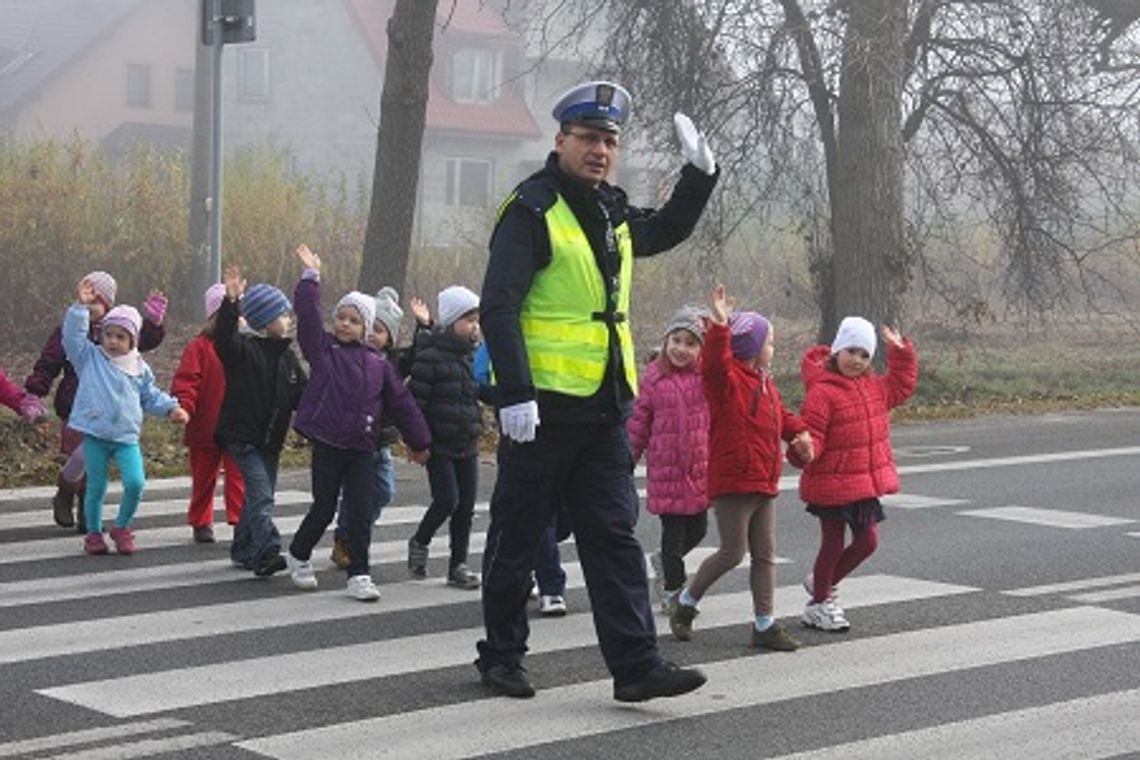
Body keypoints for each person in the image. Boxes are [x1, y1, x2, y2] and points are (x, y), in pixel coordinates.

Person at [476, 79, 719, 702]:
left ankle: (636, 666)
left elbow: (663, 230)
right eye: (588, 138)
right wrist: (515, 394)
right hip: (542, 411)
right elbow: (498, 306)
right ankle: (501, 655)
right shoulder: (530, 209)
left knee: (613, 537)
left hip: (605, 408)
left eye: (609, 140)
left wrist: (700, 176)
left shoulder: (611, 210)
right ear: (561, 141)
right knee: (518, 536)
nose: (600, 150)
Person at [668, 285, 813, 651]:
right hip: (733, 481)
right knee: (733, 552)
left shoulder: (766, 383)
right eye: (770, 343)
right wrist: (718, 326)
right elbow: (714, 363)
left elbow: (781, 416)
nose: (773, 349)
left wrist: (800, 433)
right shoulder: (726, 381)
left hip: (764, 478)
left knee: (765, 554)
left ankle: (764, 624)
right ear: (752, 348)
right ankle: (685, 602)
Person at [285, 244, 430, 602]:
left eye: (354, 320)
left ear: (366, 328)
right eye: (341, 318)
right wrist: (310, 277)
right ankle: (299, 554)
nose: (345, 324)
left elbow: (402, 403)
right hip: (329, 445)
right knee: (324, 507)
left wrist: (420, 441)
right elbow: (306, 313)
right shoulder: (323, 351)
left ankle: (359, 574)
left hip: (363, 447)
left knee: (362, 514)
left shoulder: (379, 365)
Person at [792, 316, 917, 631]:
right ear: (836, 351)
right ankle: (819, 604)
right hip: (832, 481)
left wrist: (901, 352)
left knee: (868, 542)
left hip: (863, 482)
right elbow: (813, 433)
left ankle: (822, 583)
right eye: (851, 351)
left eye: (864, 355)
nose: (857, 360)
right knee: (832, 543)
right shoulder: (822, 392)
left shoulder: (875, 388)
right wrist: (805, 450)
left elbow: (902, 386)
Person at [25, 271, 166, 532]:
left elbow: (140, 340)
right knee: (80, 459)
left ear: (107, 305)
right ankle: (65, 493)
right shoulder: (70, 330)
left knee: (93, 463)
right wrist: (34, 392)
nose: (90, 309)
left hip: (108, 411)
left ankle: (87, 513)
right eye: (86, 302)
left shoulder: (116, 333)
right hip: (74, 406)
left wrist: (154, 323)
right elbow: (49, 361)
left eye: (95, 303)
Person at [61, 280, 188, 555]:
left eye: (121, 337)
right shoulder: (90, 358)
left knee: (135, 482)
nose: (113, 342)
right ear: (101, 335)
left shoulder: (139, 367)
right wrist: (79, 308)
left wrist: (171, 408)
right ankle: (94, 534)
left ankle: (122, 527)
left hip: (125, 438)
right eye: (109, 335)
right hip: (96, 434)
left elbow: (150, 396)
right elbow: (71, 339)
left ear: (132, 341)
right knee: (96, 486)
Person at [213, 268, 307, 578]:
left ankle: (242, 548)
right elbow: (223, 339)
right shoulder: (243, 350)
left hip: (270, 440)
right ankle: (267, 550)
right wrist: (231, 304)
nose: (289, 320)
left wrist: (309, 428)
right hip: (243, 437)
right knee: (261, 494)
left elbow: (303, 397)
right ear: (266, 321)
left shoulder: (288, 358)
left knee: (258, 496)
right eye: (283, 314)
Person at [627, 305, 710, 615]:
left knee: (698, 531)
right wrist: (628, 458)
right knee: (673, 539)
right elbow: (638, 423)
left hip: (699, 471)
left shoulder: (705, 378)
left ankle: (662, 563)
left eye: (691, 343)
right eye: (676, 340)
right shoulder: (653, 378)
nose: (681, 349)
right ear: (665, 341)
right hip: (667, 473)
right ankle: (673, 593)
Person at [474, 342, 569, 616]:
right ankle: (549, 586)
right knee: (529, 514)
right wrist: (510, 393)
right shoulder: (502, 330)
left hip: (564, 424)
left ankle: (528, 574)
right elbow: (480, 375)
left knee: (554, 517)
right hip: (521, 431)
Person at [406, 285, 489, 590]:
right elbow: (415, 405)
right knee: (447, 500)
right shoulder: (430, 357)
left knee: (466, 506)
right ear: (451, 322)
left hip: (466, 442)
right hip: (437, 444)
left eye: (476, 320)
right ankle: (420, 539)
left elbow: (475, 393)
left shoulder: (470, 356)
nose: (474, 326)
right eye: (468, 320)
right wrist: (418, 443)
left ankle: (458, 566)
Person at [329, 286, 409, 570]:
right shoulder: (353, 357)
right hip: (357, 442)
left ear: (390, 338)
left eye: (381, 330)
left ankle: (355, 529)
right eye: (370, 328)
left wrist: (425, 327)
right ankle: (346, 539)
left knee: (384, 491)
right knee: (355, 494)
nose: (374, 334)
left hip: (381, 440)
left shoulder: (393, 363)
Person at [171, 283, 245, 544]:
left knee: (238, 476)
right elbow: (187, 380)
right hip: (206, 425)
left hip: (238, 425)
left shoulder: (245, 346)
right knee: (204, 477)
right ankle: (201, 520)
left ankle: (240, 520)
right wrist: (185, 406)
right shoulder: (199, 347)